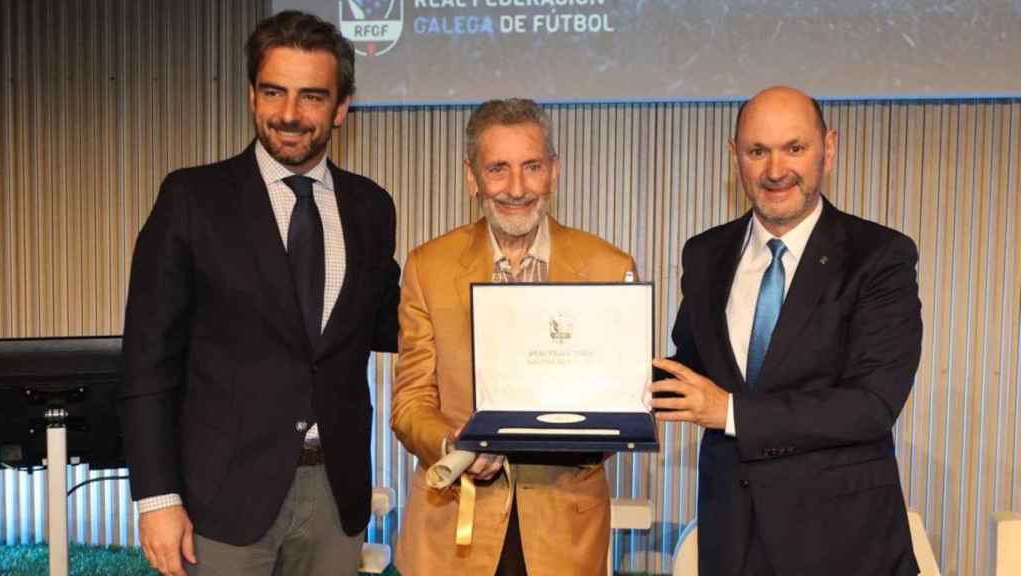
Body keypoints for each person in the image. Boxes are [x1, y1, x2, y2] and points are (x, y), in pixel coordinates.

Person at [118, 10, 399, 576]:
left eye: (312, 97)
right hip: (222, 500)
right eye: (274, 92)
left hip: (336, 498)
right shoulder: (191, 200)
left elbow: (395, 323)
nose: (290, 114)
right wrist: (157, 498)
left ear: (341, 107)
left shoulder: (371, 208)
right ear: (252, 96)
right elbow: (148, 361)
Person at [651, 85, 922, 575]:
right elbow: (689, 370)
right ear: (735, 156)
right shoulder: (706, 254)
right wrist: (596, 377)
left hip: (844, 548)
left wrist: (729, 411)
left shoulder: (880, 256)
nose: (775, 171)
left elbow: (871, 406)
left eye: (794, 148)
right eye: (758, 151)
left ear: (829, 149)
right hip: (731, 543)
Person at [391, 98, 635, 576]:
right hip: (453, 531)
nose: (517, 188)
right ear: (472, 177)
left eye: (532, 167)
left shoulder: (609, 267)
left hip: (564, 533)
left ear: (554, 171)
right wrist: (453, 446)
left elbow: (622, 407)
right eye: (498, 169)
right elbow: (410, 403)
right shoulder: (428, 267)